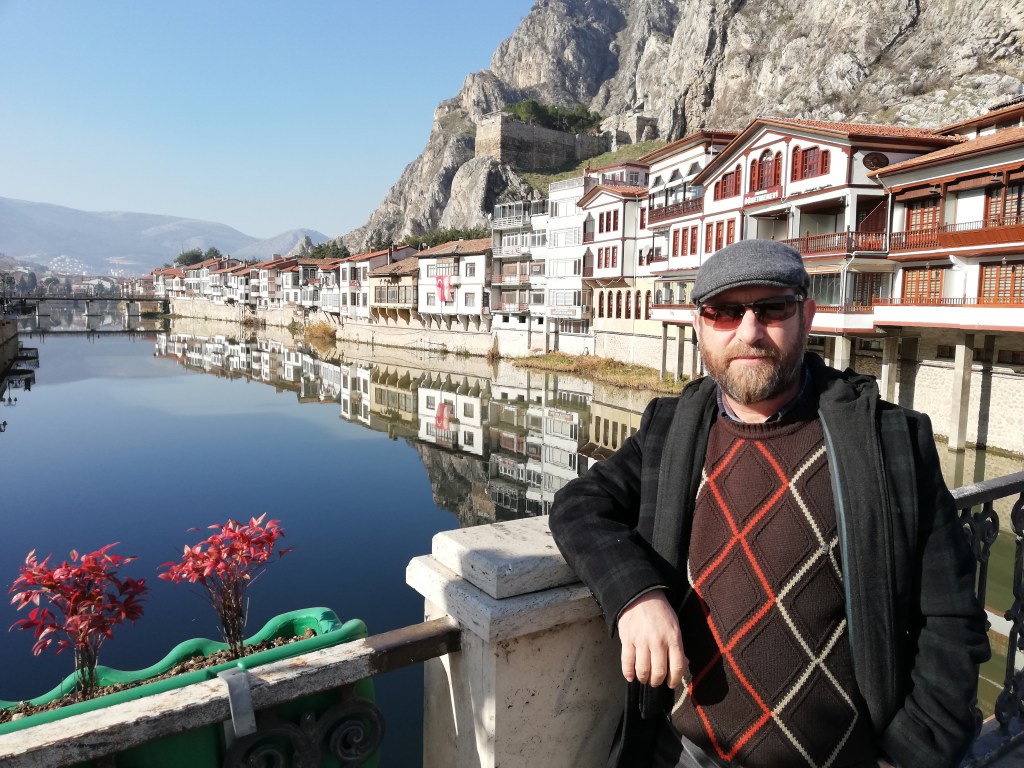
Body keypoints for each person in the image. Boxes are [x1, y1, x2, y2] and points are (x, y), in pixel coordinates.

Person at [549, 240, 989, 768]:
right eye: (724, 312)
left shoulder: (889, 440)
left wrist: (910, 755)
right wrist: (635, 595)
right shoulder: (671, 429)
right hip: (685, 757)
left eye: (773, 308)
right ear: (699, 325)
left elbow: (952, 621)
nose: (749, 331)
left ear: (807, 315)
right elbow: (578, 504)